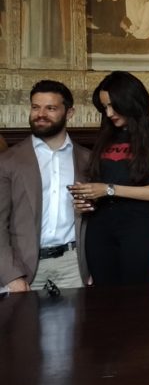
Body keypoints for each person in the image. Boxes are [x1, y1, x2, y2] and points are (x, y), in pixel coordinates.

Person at [68, 71, 149, 285]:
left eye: (113, 105)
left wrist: (109, 189)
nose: (108, 113)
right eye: (104, 107)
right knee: (104, 298)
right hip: (99, 229)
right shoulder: (106, 135)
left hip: (139, 228)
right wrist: (87, 198)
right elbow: (100, 183)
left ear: (130, 101)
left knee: (138, 298)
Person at [0, 80, 91, 291]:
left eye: (50, 108)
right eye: (35, 107)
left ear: (69, 113)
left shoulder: (87, 159)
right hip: (24, 268)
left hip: (74, 267)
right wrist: (11, 275)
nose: (40, 114)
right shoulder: (8, 161)